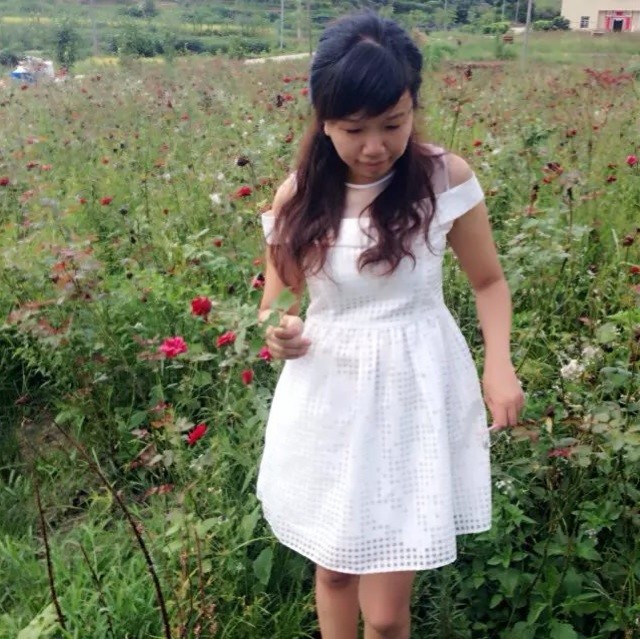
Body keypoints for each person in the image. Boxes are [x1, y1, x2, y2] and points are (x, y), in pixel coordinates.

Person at [256, 10, 525, 639]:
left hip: (413, 389)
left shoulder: (443, 179)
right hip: (329, 392)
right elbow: (277, 300)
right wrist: (278, 331)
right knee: (334, 574)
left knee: (383, 615)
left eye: (393, 124)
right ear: (324, 119)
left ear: (413, 108)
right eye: (354, 129)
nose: (375, 145)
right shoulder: (298, 196)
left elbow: (489, 282)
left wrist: (499, 363)